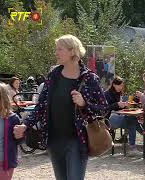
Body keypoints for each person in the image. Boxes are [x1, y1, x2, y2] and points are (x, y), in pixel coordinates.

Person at [13, 34, 108, 180]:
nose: (56, 53)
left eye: (60, 49)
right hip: (53, 140)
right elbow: (42, 105)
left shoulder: (89, 78)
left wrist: (84, 103)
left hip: (77, 140)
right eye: (56, 49)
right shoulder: (53, 75)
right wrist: (25, 125)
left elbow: (103, 108)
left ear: (72, 51)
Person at [0, 83, 22, 180]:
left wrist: (20, 135)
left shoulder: (12, 118)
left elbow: (19, 140)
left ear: (2, 99)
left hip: (4, 163)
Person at [105, 77, 141, 156]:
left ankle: (133, 146)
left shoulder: (118, 93)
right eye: (120, 85)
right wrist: (117, 104)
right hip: (109, 119)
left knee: (131, 120)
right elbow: (105, 108)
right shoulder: (106, 94)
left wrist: (124, 105)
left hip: (117, 116)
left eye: (122, 86)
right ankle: (143, 134)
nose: (121, 87)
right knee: (132, 120)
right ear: (114, 84)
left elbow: (118, 108)